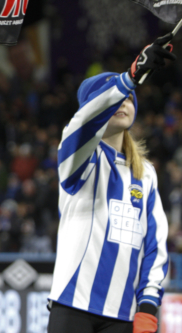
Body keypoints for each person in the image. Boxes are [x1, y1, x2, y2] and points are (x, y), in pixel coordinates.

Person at [48, 33, 176, 333]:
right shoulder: (77, 157)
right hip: (71, 307)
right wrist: (128, 79)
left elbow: (155, 247)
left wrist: (148, 308)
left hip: (125, 316)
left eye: (129, 98)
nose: (125, 101)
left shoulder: (146, 173)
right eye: (116, 97)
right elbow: (81, 125)